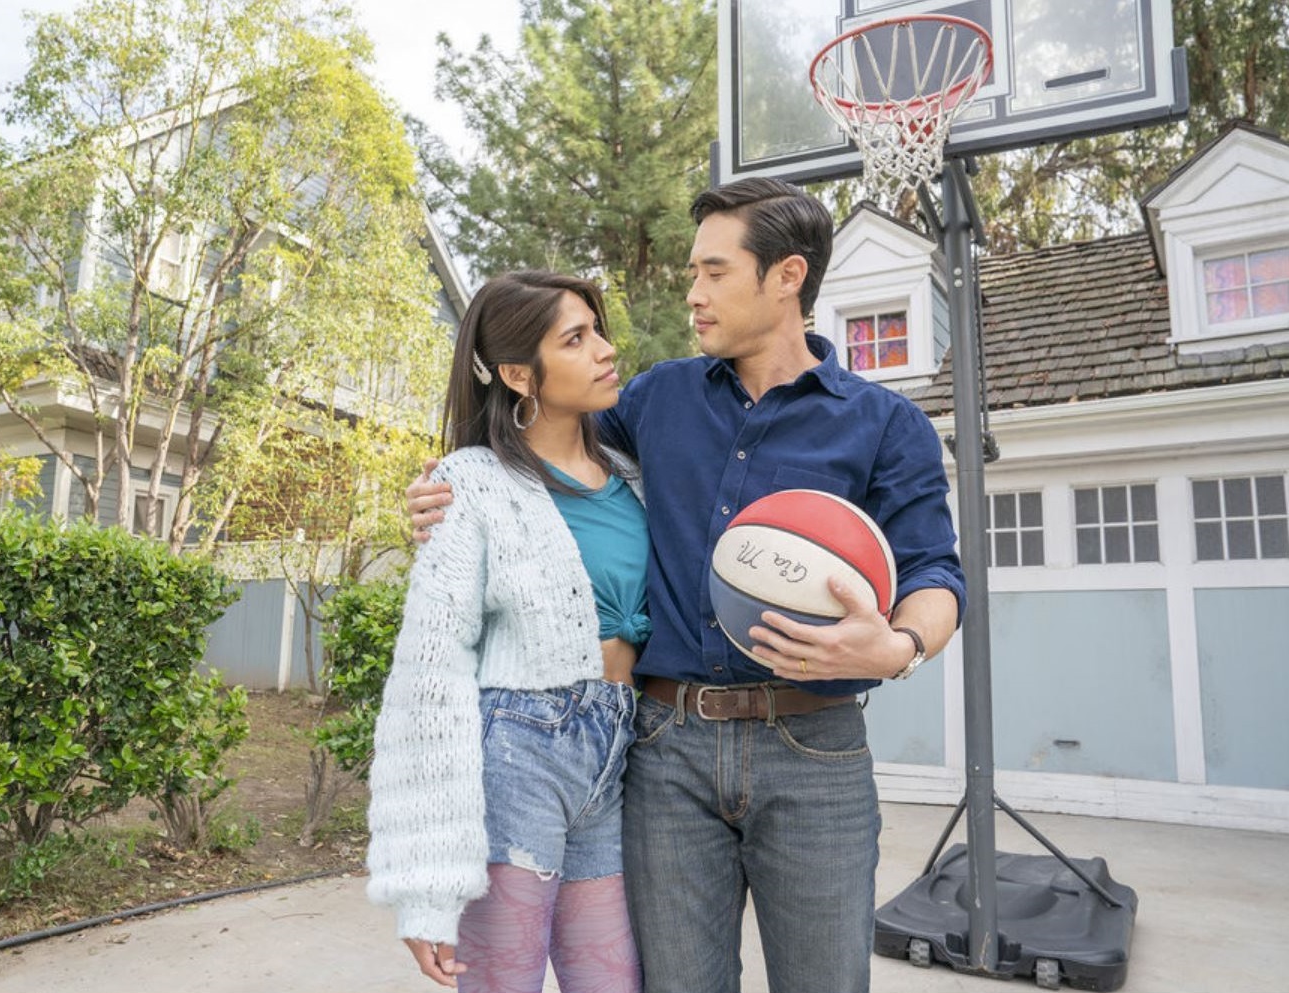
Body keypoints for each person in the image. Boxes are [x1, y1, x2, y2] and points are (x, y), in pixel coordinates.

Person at [405, 179, 966, 993]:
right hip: (665, 747)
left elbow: (934, 573)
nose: (692, 294)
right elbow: (545, 449)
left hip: (814, 754)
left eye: (712, 271)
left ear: (785, 277)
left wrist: (900, 643)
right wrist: (456, 488)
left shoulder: (884, 424)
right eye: (690, 274)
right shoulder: (654, 397)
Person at [366, 270, 649, 992]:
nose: (605, 350)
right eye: (576, 338)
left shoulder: (629, 476)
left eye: (599, 330)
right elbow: (429, 670)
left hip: (614, 753)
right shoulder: (469, 482)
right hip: (518, 751)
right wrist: (427, 890)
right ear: (521, 373)